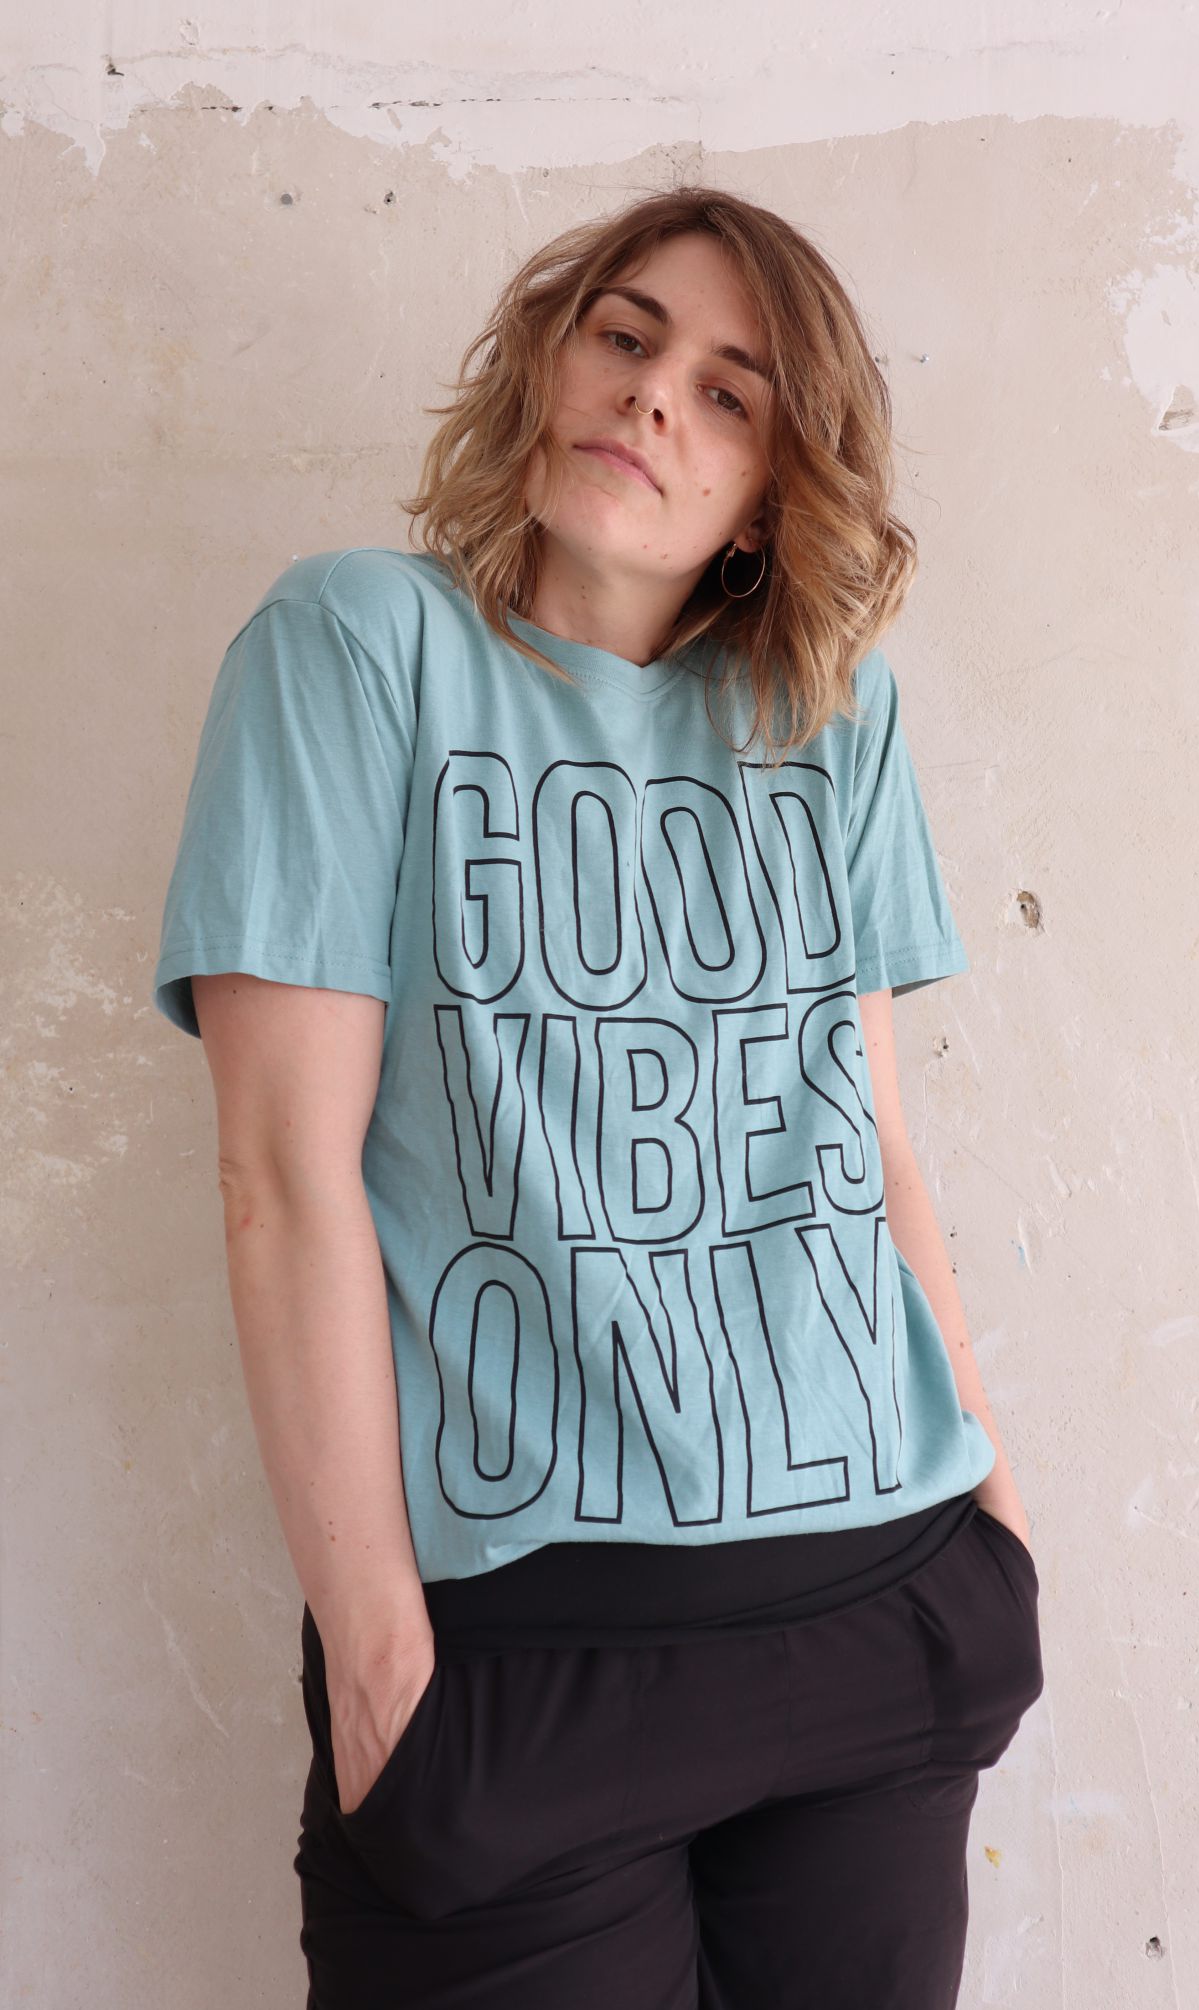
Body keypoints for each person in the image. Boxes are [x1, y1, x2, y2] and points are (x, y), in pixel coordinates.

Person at [151, 184, 1044, 2009]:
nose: (653, 397)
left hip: (882, 1597)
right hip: (525, 1650)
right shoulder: (356, 646)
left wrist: (996, 1532)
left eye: (728, 390)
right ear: (550, 361)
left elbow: (874, 1141)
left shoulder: (830, 712)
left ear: (773, 488)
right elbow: (283, 1178)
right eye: (627, 338)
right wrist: (380, 1669)